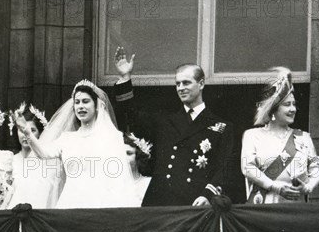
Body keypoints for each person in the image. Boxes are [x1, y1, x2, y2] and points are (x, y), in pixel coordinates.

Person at [114, 47, 234, 207]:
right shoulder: (164, 121)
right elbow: (133, 118)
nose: (181, 88)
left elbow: (224, 167)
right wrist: (125, 78)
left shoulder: (221, 126)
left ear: (202, 83)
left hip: (195, 202)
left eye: (186, 83)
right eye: (177, 84)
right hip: (162, 202)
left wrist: (208, 194)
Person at [20, 80, 140, 208]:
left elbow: (118, 181)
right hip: (70, 202)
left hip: (100, 204)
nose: (80, 106)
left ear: (97, 106)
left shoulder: (111, 137)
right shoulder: (67, 139)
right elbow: (43, 153)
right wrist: (28, 134)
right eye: (77, 102)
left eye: (85, 101)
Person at [241, 67, 319, 203]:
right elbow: (248, 168)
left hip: (295, 208)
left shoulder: (304, 137)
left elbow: (316, 167)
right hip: (265, 204)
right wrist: (275, 187)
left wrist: (308, 187)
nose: (293, 109)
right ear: (273, 109)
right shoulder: (252, 135)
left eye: (294, 104)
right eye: (287, 105)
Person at [3, 102, 54, 209]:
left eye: (32, 130)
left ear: (40, 133)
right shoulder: (11, 160)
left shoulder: (46, 163)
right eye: (22, 130)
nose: (25, 134)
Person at [123, 132, 152, 204]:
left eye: (129, 153)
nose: (123, 157)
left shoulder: (148, 183)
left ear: (138, 157)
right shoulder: (111, 185)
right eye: (120, 152)